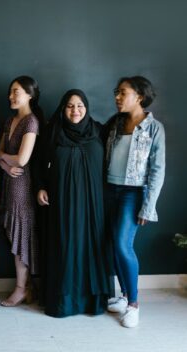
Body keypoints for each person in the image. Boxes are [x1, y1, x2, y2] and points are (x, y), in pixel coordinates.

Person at [37, 89, 110, 318]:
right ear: (63, 108)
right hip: (63, 201)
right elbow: (38, 163)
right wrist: (40, 187)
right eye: (70, 106)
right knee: (65, 245)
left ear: (86, 108)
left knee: (92, 247)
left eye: (79, 105)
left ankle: (92, 302)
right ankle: (64, 302)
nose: (75, 110)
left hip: (93, 203)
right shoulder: (53, 131)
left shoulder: (99, 131)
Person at [105, 76, 165, 328]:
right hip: (109, 189)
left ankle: (133, 305)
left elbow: (157, 169)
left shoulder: (154, 128)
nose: (117, 97)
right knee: (111, 245)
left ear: (139, 96)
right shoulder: (115, 123)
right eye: (116, 92)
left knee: (122, 244)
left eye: (123, 93)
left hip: (133, 193)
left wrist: (148, 206)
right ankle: (124, 295)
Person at [0, 76, 42, 306]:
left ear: (29, 94)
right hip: (9, 181)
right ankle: (27, 287)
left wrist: (5, 159)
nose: (11, 96)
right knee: (11, 233)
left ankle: (22, 288)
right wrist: (5, 163)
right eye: (10, 92)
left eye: (16, 92)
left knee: (20, 236)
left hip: (22, 185)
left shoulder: (31, 121)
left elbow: (22, 160)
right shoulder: (10, 120)